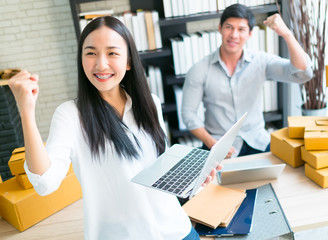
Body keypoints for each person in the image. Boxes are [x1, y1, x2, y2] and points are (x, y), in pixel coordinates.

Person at [9, 16, 220, 240]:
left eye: (112, 53)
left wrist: (191, 181)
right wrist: (26, 112)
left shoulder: (151, 103)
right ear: (81, 60)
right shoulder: (70, 115)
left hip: (176, 229)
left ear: (128, 61)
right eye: (90, 53)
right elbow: (45, 184)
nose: (101, 64)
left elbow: (159, 168)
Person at [181, 4, 312, 158]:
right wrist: (211, 143)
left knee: (280, 177)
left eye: (241, 29)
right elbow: (188, 114)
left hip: (257, 142)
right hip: (217, 145)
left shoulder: (261, 61)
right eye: (229, 27)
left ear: (250, 34)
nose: (234, 35)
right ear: (220, 28)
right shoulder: (200, 69)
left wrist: (287, 34)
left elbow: (303, 73)